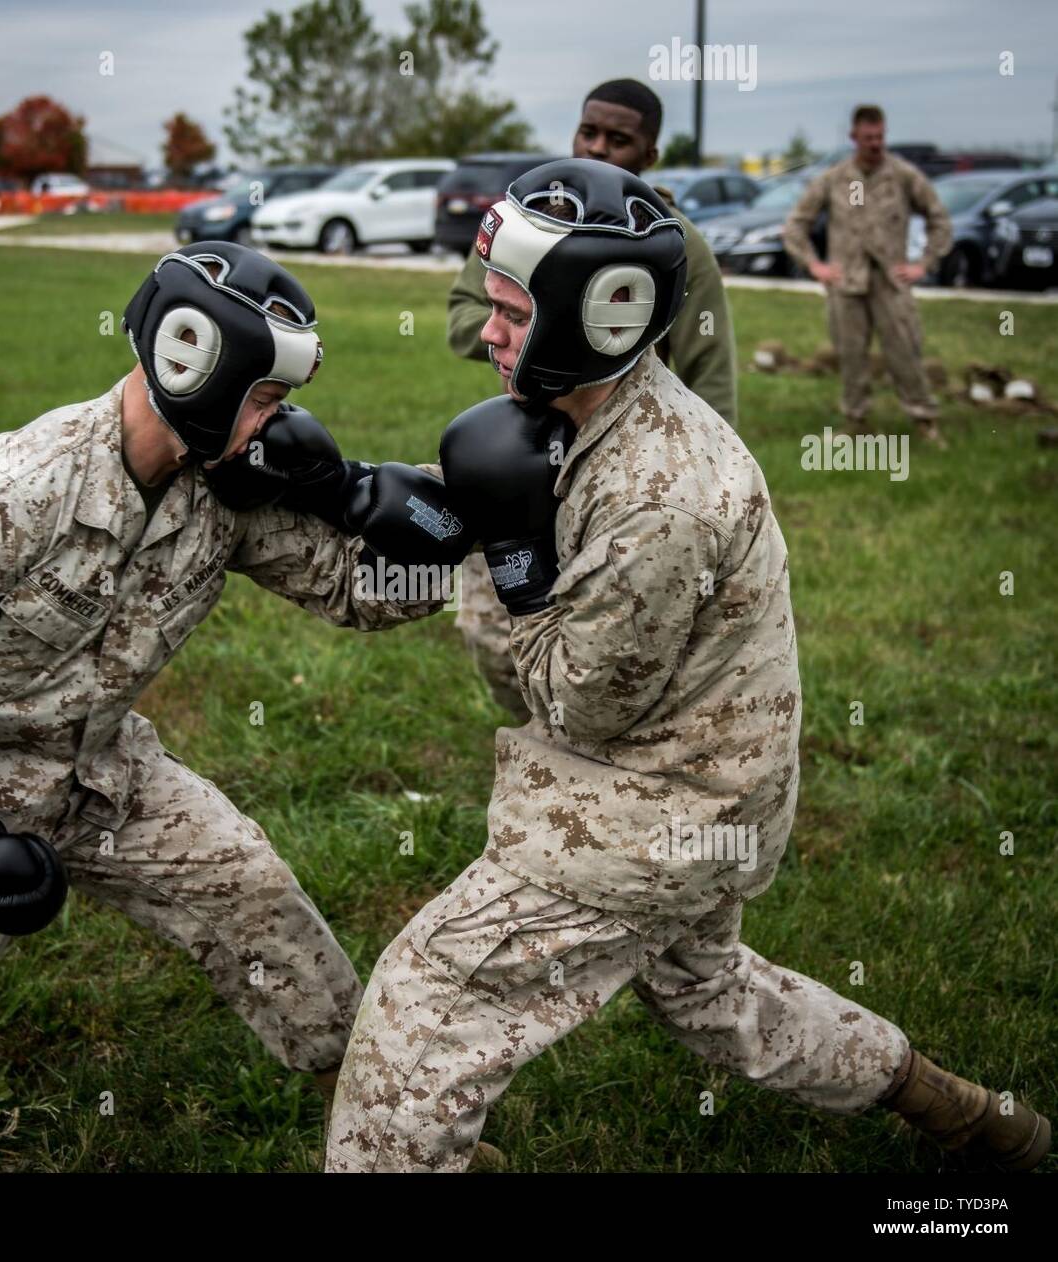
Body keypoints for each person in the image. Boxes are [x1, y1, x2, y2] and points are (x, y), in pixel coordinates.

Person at [323, 160, 1050, 1174]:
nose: (487, 332)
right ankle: (968, 1115)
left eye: (511, 312)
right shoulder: (582, 416)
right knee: (710, 992)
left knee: (427, 1001)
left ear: (597, 321)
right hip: (709, 779)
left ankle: (401, 1152)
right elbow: (435, 551)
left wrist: (510, 558)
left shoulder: (660, 494)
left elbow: (577, 704)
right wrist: (336, 490)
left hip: (663, 805)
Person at [0, 243, 470, 1169]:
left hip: (103, 772)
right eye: (264, 399)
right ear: (194, 369)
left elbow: (352, 593)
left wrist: (389, 508)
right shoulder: (15, 490)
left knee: (255, 900)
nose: (280, 423)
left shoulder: (222, 486)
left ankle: (379, 1122)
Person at [447, 78, 737, 723]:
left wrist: (709, 482)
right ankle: (544, 732)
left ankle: (595, 742)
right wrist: (532, 334)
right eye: (589, 132)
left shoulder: (675, 247)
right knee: (493, 629)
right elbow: (463, 318)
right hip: (524, 452)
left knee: (611, 648)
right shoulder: (523, 223)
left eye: (619, 139)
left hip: (625, 452)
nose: (599, 148)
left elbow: (710, 370)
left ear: (650, 154)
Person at [783, 104, 953, 446]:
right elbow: (795, 225)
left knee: (905, 351)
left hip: (890, 282)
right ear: (854, 137)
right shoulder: (834, 179)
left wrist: (923, 263)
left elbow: (940, 220)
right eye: (868, 137)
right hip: (847, 282)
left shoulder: (903, 176)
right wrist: (815, 265)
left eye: (880, 137)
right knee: (851, 355)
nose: (875, 144)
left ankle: (924, 420)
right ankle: (856, 421)